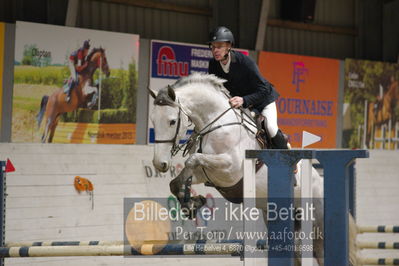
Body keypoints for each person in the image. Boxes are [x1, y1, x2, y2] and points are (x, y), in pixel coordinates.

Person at [207, 26, 289, 149]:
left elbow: (264, 89)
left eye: (219, 46)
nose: (215, 50)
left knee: (270, 127)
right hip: (241, 104)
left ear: (229, 46)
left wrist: (244, 100)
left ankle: (289, 157)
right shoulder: (213, 64)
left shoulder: (245, 62)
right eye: (212, 47)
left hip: (263, 100)